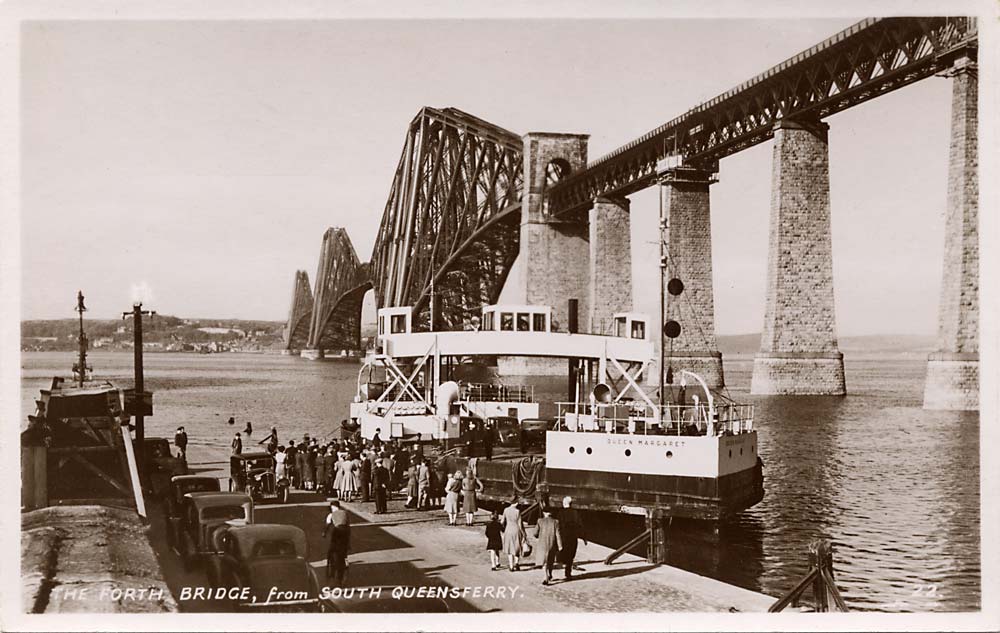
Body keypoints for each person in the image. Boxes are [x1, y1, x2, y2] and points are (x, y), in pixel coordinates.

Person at [322, 500, 351, 586]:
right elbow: (348, 525)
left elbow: (327, 525)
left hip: (337, 532)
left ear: (333, 507)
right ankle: (344, 564)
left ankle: (332, 572)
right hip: (346, 533)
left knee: (332, 550)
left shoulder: (331, 515)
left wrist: (324, 533)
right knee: (343, 552)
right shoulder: (345, 513)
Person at [557, 496, 587, 580]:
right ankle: (568, 572)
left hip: (564, 537)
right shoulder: (575, 513)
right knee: (571, 555)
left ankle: (556, 570)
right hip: (572, 537)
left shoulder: (560, 513)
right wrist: (584, 537)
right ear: (571, 504)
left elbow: (558, 526)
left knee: (564, 552)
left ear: (564, 504)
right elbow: (580, 525)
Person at [534, 508, 563, 585]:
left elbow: (535, 533)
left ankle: (545, 577)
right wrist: (560, 546)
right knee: (550, 560)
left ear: (544, 513)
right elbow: (558, 535)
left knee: (544, 562)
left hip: (542, 544)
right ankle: (549, 574)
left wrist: (537, 536)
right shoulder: (556, 522)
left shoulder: (540, 521)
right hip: (552, 544)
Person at [500, 497, 527, 571]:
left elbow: (502, 521)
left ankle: (511, 566)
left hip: (508, 530)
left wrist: (501, 529)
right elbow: (520, 524)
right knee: (517, 547)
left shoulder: (506, 510)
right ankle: (516, 563)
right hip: (516, 530)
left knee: (510, 548)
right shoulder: (517, 511)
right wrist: (524, 534)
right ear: (515, 503)